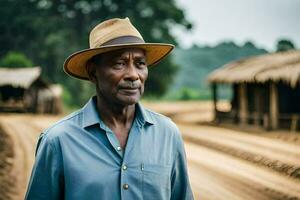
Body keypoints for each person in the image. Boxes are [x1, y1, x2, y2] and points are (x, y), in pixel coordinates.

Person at [25, 17, 194, 200]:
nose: (133, 75)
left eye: (140, 64)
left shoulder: (167, 134)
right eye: (119, 64)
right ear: (93, 72)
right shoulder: (58, 140)